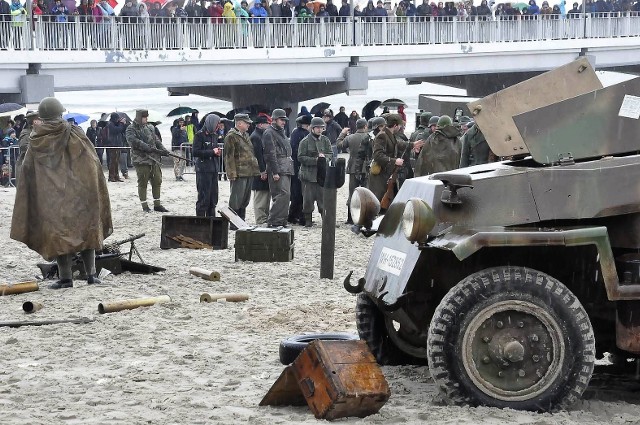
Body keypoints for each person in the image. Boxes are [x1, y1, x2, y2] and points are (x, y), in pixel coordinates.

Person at [10, 97, 112, 289]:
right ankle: (91, 275)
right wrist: (90, 188)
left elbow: (27, 171)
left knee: (58, 235)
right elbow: (92, 164)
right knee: (86, 230)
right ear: (59, 113)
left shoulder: (37, 138)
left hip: (51, 198)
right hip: (79, 194)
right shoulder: (76, 133)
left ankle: (66, 278)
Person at [368, 114, 423, 207]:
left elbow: (398, 143)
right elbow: (377, 155)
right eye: (400, 125)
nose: (401, 127)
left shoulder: (389, 134)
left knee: (387, 201)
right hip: (380, 175)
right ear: (395, 125)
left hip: (386, 173)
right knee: (378, 203)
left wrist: (412, 145)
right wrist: (394, 161)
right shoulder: (382, 136)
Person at [125, 109, 171, 212]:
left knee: (157, 181)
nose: (146, 119)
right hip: (141, 160)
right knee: (143, 183)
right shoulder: (130, 129)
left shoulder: (149, 127)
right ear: (139, 117)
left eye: (146, 117)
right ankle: (145, 206)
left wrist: (163, 150)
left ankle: (157, 204)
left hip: (153, 159)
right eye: (144, 117)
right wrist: (147, 147)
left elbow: (156, 140)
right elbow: (133, 141)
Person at [224, 113, 260, 226]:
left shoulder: (245, 135)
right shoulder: (231, 136)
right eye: (246, 123)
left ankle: (241, 221)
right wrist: (232, 174)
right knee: (236, 199)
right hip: (239, 173)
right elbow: (229, 157)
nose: (249, 125)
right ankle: (233, 223)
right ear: (239, 123)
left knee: (245, 199)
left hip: (248, 171)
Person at [298, 117, 333, 227]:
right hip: (308, 175)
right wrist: (315, 160)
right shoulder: (305, 141)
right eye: (317, 127)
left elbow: (330, 154)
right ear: (312, 128)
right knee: (308, 201)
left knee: (323, 200)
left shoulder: (325, 140)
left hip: (322, 175)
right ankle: (308, 221)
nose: (319, 130)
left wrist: (324, 158)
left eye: (321, 128)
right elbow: (300, 157)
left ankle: (326, 220)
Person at [263, 108, 294, 228]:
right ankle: (274, 221)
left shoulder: (280, 131)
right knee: (281, 194)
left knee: (285, 195)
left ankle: (281, 220)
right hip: (278, 169)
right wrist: (275, 172)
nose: (284, 122)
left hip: (285, 167)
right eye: (282, 120)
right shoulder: (269, 133)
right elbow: (270, 154)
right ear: (274, 120)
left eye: (284, 120)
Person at [337, 118, 370, 224]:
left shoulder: (350, 137)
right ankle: (364, 217)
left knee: (352, 193)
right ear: (365, 126)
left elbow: (339, 145)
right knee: (365, 193)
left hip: (352, 168)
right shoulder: (368, 137)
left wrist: (342, 134)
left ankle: (350, 218)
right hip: (365, 168)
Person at [192, 113, 222, 217]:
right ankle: (200, 222)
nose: (218, 127)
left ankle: (211, 221)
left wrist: (217, 153)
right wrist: (211, 152)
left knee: (213, 198)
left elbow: (213, 150)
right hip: (203, 170)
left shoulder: (214, 135)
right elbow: (195, 152)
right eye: (217, 124)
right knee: (204, 198)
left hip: (213, 169)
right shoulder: (199, 135)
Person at [288, 114, 310, 225]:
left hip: (295, 166)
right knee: (300, 193)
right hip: (299, 166)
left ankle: (294, 215)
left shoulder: (295, 132)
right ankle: (298, 215)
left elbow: (293, 148)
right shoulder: (303, 134)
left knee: (297, 193)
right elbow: (297, 150)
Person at [250, 115, 271, 225]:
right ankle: (260, 219)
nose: (268, 125)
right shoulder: (256, 136)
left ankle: (264, 218)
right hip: (259, 171)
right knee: (260, 197)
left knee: (266, 196)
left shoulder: (261, 135)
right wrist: (262, 171)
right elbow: (258, 156)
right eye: (267, 123)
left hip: (264, 169)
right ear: (260, 124)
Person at [105, 112, 127, 182]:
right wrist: (121, 123)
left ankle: (116, 176)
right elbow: (116, 130)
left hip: (117, 144)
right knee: (113, 161)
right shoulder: (110, 124)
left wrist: (122, 123)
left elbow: (121, 129)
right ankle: (111, 176)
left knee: (116, 161)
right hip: (112, 144)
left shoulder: (114, 123)